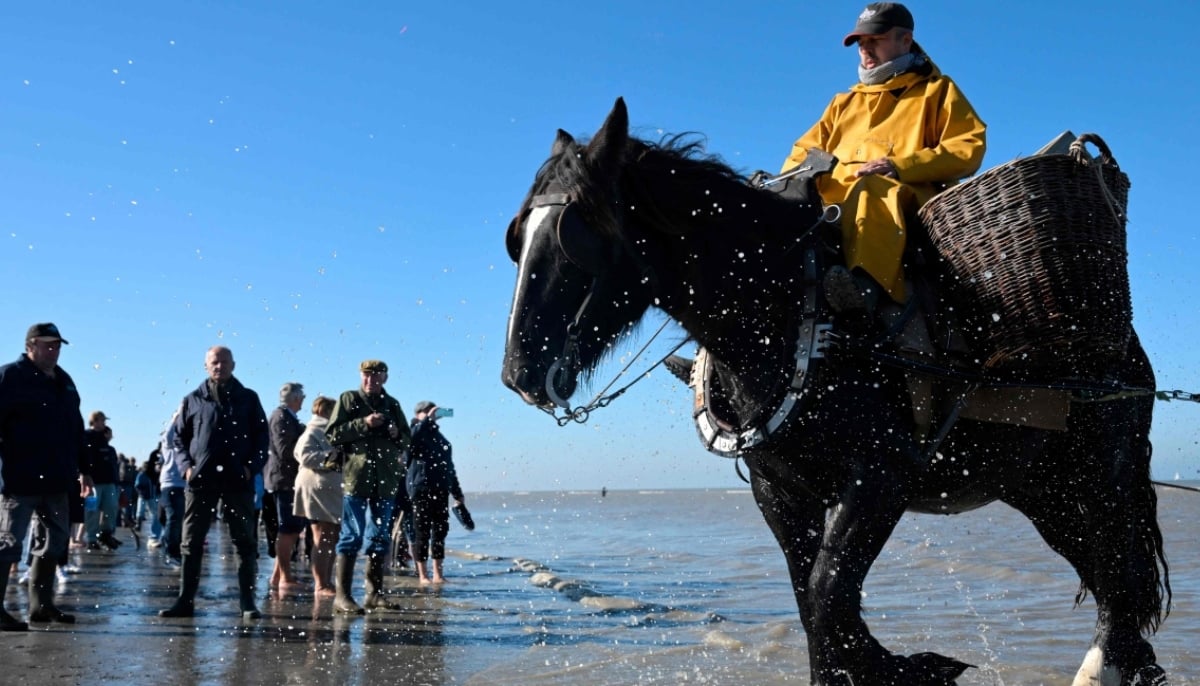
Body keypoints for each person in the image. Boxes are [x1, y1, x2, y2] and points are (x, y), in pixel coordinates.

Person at [780, 2, 986, 314]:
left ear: (906, 41)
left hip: (905, 201)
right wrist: (790, 187)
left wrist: (901, 166)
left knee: (873, 188)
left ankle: (863, 291)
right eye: (861, 43)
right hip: (835, 207)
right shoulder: (842, 103)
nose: (865, 49)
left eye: (875, 40)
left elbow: (968, 146)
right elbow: (802, 154)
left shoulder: (937, 91)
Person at [159, 346, 268, 620]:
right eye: (214, 362)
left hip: (236, 481)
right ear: (206, 366)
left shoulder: (249, 398)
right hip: (201, 481)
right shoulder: (193, 399)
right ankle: (185, 601)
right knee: (191, 542)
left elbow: (262, 439)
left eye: (224, 362)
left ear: (234, 364)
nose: (219, 366)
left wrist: (250, 468)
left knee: (244, 542)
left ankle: (247, 603)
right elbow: (178, 439)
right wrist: (186, 468)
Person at [0, 323, 93, 631]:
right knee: (9, 543)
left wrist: (84, 469)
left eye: (57, 346)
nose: (54, 351)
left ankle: (42, 606)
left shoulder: (64, 382)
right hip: (19, 479)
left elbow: (76, 430)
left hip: (57, 479)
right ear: (31, 346)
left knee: (53, 542)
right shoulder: (10, 377)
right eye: (48, 345)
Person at [326, 359, 411, 614]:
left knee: (379, 536)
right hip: (356, 477)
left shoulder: (392, 404)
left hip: (385, 479)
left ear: (385, 378)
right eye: (366, 376)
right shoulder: (349, 399)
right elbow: (332, 434)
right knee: (351, 535)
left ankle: (374, 594)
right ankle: (343, 597)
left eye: (375, 376)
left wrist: (396, 433)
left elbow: (407, 440)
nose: (370, 381)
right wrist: (364, 424)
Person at [405, 401, 464, 585]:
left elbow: (450, 468)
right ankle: (423, 575)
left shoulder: (441, 439)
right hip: (420, 488)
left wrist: (457, 492)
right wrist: (427, 420)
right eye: (429, 412)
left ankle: (438, 574)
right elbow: (411, 443)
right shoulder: (414, 430)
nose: (434, 416)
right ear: (419, 414)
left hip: (440, 489)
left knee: (440, 531)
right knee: (421, 531)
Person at [293, 395, 343, 597]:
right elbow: (303, 455)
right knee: (322, 536)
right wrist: (333, 457)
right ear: (325, 411)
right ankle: (321, 584)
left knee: (331, 536)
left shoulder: (328, 430)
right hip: (318, 488)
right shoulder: (314, 430)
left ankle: (326, 581)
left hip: (329, 489)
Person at [265, 381, 308, 590]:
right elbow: (284, 450)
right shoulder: (281, 417)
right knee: (288, 529)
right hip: (284, 479)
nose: (303, 401)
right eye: (302, 397)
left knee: (291, 528)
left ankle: (277, 576)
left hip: (286, 479)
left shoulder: (286, 417)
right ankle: (285, 577)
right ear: (295, 398)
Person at [83, 412, 123, 550]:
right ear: (94, 421)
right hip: (92, 481)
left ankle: (106, 533)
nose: (104, 423)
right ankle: (91, 538)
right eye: (101, 420)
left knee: (111, 507)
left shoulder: (106, 441)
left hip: (108, 482)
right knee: (91, 510)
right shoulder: (87, 436)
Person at [157, 411, 186, 567]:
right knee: (174, 519)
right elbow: (168, 436)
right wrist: (176, 417)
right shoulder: (169, 441)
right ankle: (170, 552)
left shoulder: (185, 439)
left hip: (182, 485)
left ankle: (172, 547)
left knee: (177, 520)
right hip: (171, 483)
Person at [135, 454, 162, 547]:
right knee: (142, 511)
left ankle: (154, 535)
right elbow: (137, 485)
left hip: (151, 496)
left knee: (154, 513)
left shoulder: (153, 475)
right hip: (144, 496)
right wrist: (142, 492)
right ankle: (138, 524)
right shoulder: (142, 474)